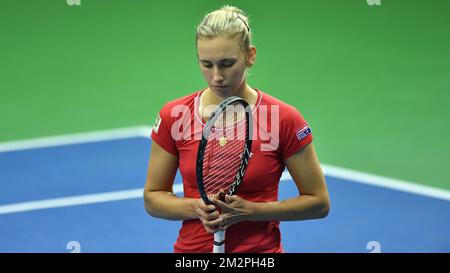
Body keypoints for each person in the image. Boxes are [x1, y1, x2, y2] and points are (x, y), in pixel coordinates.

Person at [144, 5, 330, 253]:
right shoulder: (174, 115)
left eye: (227, 63)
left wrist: (253, 211)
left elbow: (318, 203)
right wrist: (196, 207)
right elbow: (153, 197)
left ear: (250, 55)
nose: (216, 76)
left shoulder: (284, 119)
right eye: (206, 64)